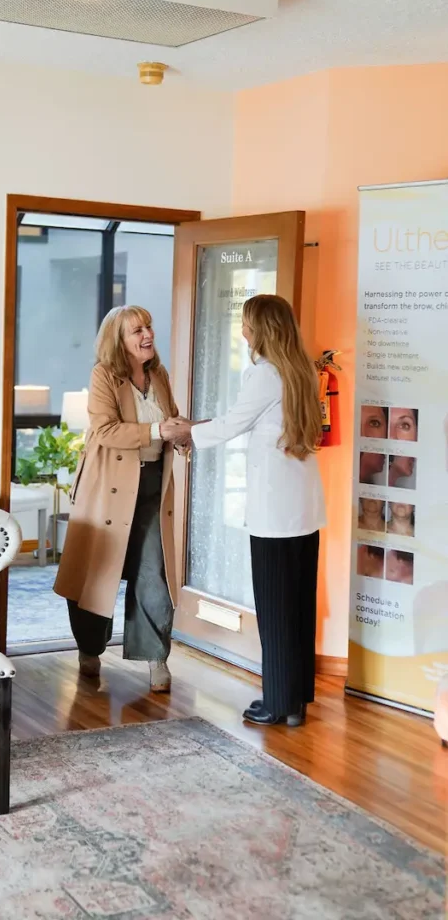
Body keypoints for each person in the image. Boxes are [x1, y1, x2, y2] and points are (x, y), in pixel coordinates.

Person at [169, 294, 325, 728]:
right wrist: (198, 429)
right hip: (304, 508)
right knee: (297, 604)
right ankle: (295, 700)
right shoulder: (302, 372)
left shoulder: (263, 374)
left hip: (275, 510)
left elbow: (233, 423)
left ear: (260, 330)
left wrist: (187, 433)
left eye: (245, 324)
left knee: (275, 607)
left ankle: (276, 703)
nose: (241, 331)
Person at [54, 306, 186, 693]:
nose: (147, 335)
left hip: (152, 487)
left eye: (149, 327)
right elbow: (107, 429)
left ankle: (156, 658)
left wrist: (183, 434)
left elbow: (170, 420)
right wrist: (159, 429)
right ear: (119, 340)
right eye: (137, 330)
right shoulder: (103, 375)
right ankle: (90, 649)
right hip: (108, 487)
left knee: (153, 572)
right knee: (97, 572)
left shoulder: (158, 374)